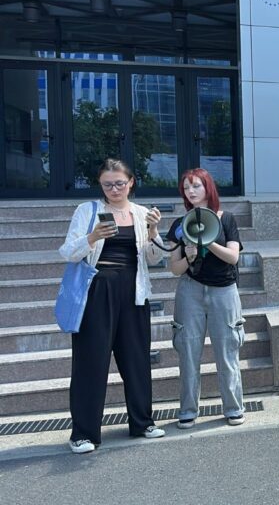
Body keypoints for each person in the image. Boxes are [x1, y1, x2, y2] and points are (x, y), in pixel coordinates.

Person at [59, 159, 166, 454]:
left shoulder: (142, 213)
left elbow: (155, 258)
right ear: (100, 185)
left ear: (131, 182)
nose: (114, 189)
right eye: (107, 184)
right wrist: (92, 237)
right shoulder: (87, 211)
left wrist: (155, 232)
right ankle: (83, 434)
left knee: (136, 359)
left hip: (133, 291)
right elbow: (68, 252)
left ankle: (143, 422)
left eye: (119, 183)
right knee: (90, 363)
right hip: (96, 292)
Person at [165, 168, 246, 429]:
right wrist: (188, 256)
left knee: (227, 351)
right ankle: (188, 410)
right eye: (186, 187)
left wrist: (207, 240)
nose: (191, 191)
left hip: (223, 290)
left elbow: (233, 257)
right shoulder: (180, 225)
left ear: (208, 188)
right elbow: (174, 269)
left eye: (196, 186)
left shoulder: (226, 219)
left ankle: (233, 408)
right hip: (190, 290)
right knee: (188, 351)